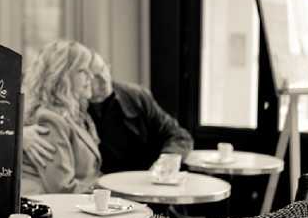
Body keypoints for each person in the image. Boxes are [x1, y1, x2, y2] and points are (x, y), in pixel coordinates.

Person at [24, 51, 193, 173]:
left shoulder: (136, 96)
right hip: (98, 196)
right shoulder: (67, 109)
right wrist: (20, 136)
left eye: (104, 69)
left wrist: (170, 157)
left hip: (144, 185)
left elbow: (178, 135)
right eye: (93, 75)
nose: (104, 79)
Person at [21, 40, 102, 195]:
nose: (91, 77)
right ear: (63, 76)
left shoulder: (76, 114)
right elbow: (62, 188)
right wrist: (112, 194)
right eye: (83, 71)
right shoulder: (50, 119)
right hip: (53, 212)